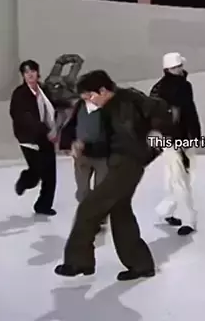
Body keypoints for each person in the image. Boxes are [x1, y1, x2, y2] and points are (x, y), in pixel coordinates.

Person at [55, 70, 172, 281]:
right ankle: (141, 264)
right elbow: (107, 143)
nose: (91, 101)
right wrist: (84, 147)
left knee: (89, 207)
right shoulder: (107, 109)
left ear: (103, 90)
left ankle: (79, 261)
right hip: (117, 162)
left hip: (129, 164)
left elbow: (162, 110)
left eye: (91, 96)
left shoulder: (130, 98)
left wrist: (155, 137)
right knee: (121, 213)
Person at [151, 52, 202, 236]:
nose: (181, 69)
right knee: (182, 180)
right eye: (179, 66)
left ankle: (165, 211)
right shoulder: (181, 86)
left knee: (176, 178)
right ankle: (188, 220)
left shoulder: (159, 88)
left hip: (172, 140)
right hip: (178, 140)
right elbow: (187, 114)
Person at [10, 60, 60, 216]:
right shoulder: (20, 94)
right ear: (23, 75)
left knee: (50, 173)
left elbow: (53, 106)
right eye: (26, 72)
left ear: (38, 73)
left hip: (46, 136)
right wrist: (42, 128)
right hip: (29, 138)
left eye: (32, 71)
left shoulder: (44, 90)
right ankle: (25, 180)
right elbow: (21, 116)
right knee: (37, 171)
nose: (30, 74)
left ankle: (43, 205)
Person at [59, 95, 108, 229]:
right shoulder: (80, 105)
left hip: (103, 157)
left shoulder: (109, 107)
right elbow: (71, 125)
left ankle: (97, 216)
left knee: (101, 190)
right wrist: (66, 144)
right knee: (82, 191)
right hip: (82, 156)